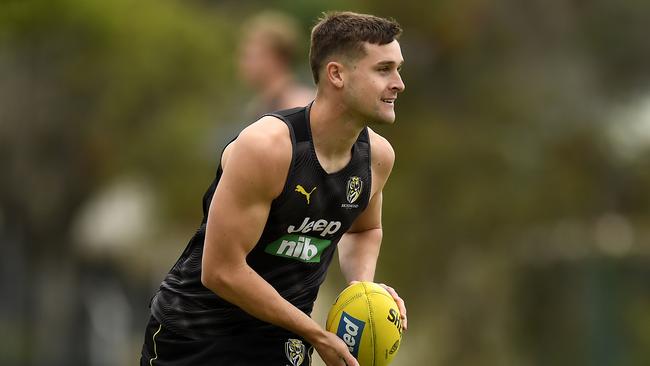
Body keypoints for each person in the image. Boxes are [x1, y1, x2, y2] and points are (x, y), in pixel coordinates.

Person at [140, 11, 407, 366]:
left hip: (281, 342)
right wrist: (317, 334)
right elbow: (221, 270)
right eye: (383, 69)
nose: (399, 83)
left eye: (398, 68)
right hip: (197, 336)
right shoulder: (266, 147)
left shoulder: (377, 157)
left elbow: (365, 229)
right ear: (337, 74)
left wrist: (363, 292)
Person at [237, 11, 315, 119]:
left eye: (250, 56)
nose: (243, 63)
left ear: (274, 57)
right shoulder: (260, 106)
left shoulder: (300, 105)